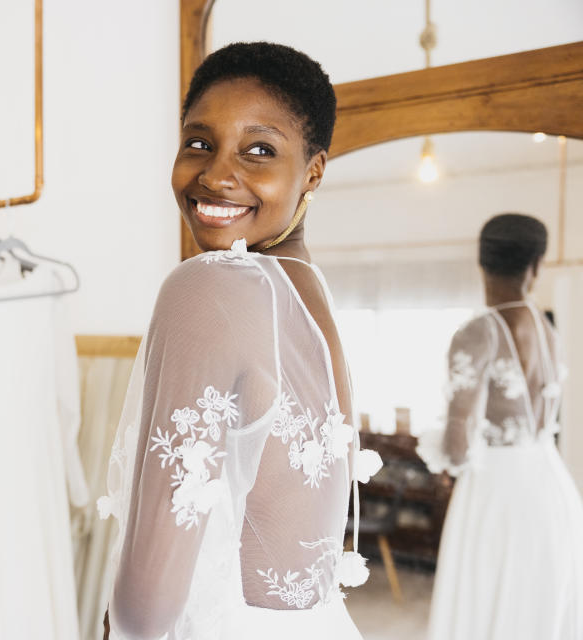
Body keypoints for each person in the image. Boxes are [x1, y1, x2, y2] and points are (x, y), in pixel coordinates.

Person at [96, 42, 381, 640]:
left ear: (314, 170)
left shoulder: (211, 287)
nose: (216, 174)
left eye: (259, 150)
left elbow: (144, 612)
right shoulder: (308, 293)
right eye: (199, 142)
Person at [419, 213, 583, 639]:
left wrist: (442, 451)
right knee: (534, 605)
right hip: (552, 487)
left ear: (482, 262)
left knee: (487, 600)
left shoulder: (478, 332)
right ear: (536, 266)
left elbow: (456, 446)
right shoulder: (549, 331)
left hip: (497, 490)